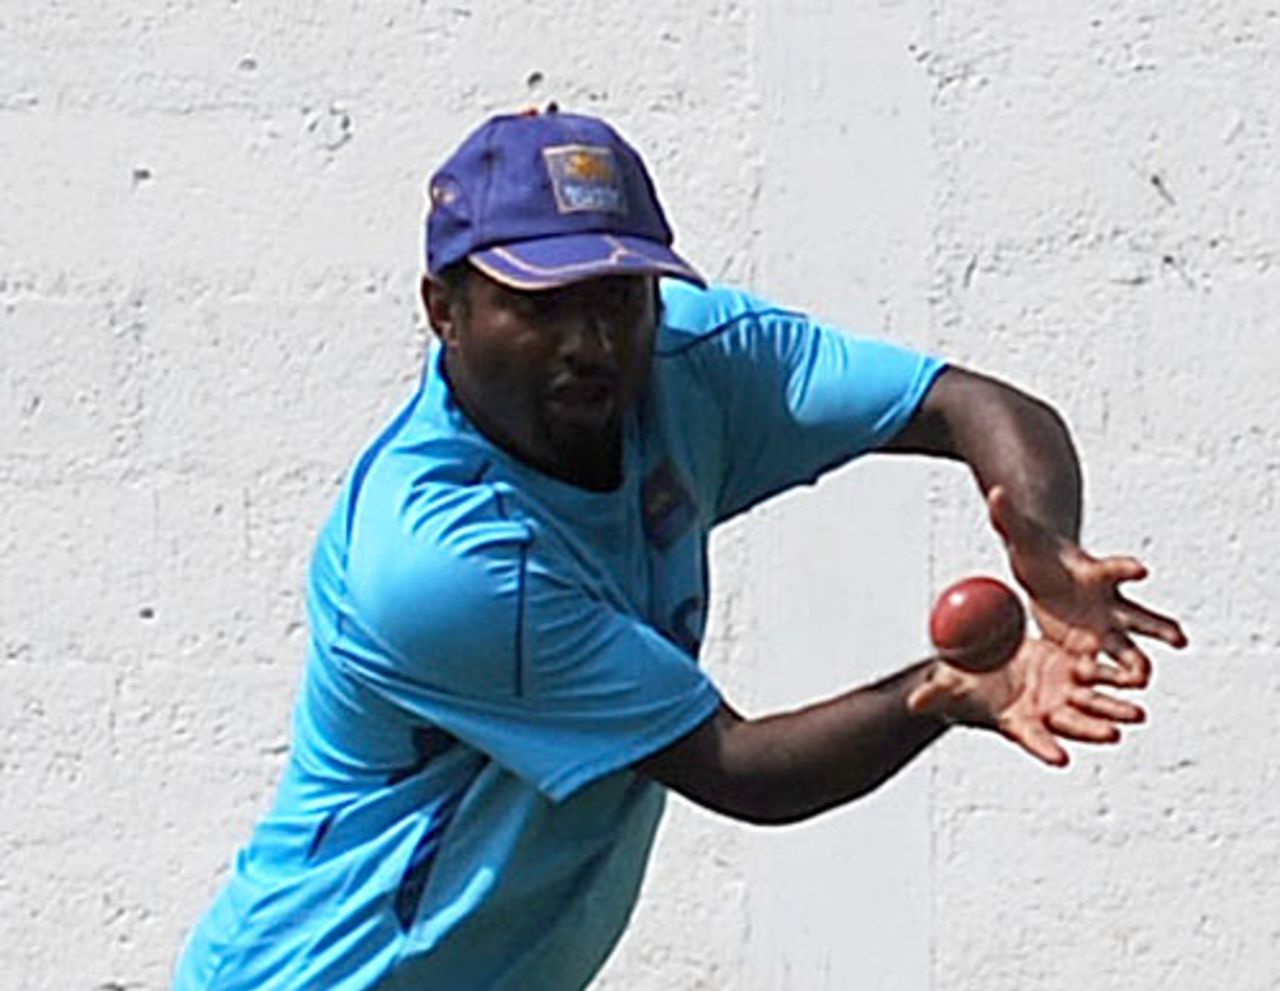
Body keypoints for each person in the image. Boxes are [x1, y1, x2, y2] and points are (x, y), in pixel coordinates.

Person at [173, 107, 1187, 990]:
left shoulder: (688, 359)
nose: (591, 341)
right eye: (538, 304)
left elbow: (971, 404)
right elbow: (739, 769)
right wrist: (945, 691)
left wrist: (1047, 542)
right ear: (443, 308)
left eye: (618, 295)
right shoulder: (439, 560)